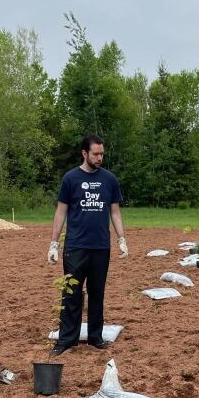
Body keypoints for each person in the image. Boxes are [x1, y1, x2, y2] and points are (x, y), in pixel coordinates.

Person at [47, 134, 128, 355]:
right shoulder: (70, 178)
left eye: (102, 153)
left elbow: (115, 211)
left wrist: (121, 239)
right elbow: (61, 211)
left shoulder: (109, 179)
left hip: (101, 246)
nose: (100, 157)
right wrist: (54, 243)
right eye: (96, 154)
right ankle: (66, 339)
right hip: (75, 246)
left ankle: (95, 337)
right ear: (85, 153)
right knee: (71, 292)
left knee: (97, 292)